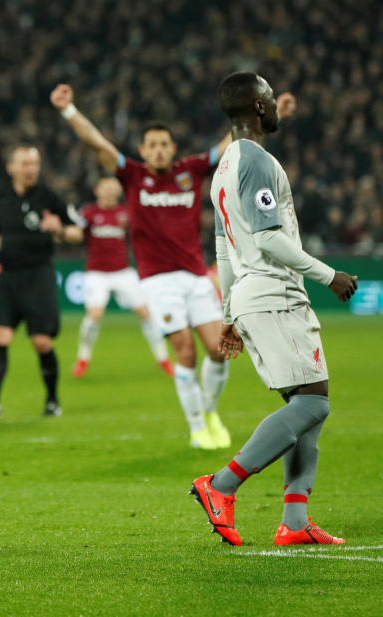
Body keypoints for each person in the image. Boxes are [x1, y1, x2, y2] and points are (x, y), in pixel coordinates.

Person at [50, 83, 295, 449]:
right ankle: (197, 425)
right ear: (143, 150)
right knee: (186, 351)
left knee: (218, 350)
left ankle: (209, 411)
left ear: (173, 148)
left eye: (165, 143)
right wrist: (69, 110)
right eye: (153, 145)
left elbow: (234, 145)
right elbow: (97, 144)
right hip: (157, 281)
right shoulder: (132, 176)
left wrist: (273, 117)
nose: (160, 149)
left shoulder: (190, 171)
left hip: (195, 276)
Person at [190, 72, 358, 546]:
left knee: (309, 405)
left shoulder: (224, 167)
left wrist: (228, 314)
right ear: (260, 106)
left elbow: (225, 249)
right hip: (273, 292)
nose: (277, 103)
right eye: (270, 95)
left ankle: (296, 521)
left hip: (251, 293)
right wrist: (330, 275)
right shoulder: (257, 162)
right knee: (313, 401)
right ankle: (221, 485)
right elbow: (267, 237)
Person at [0, 144, 78, 419]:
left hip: (38, 275)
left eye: (35, 164)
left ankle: (52, 400)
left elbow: (77, 232)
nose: (31, 169)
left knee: (41, 342)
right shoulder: (0, 198)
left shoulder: (48, 198)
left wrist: (60, 229)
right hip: (8, 276)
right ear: (11, 168)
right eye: (25, 164)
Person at [67, 177, 172, 378]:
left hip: (122, 271)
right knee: (95, 314)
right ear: (97, 190)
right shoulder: (88, 213)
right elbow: (76, 234)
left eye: (113, 189)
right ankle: (82, 359)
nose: (110, 192)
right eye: (106, 188)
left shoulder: (126, 213)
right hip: (96, 273)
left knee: (146, 313)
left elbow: (143, 235)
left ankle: (163, 359)